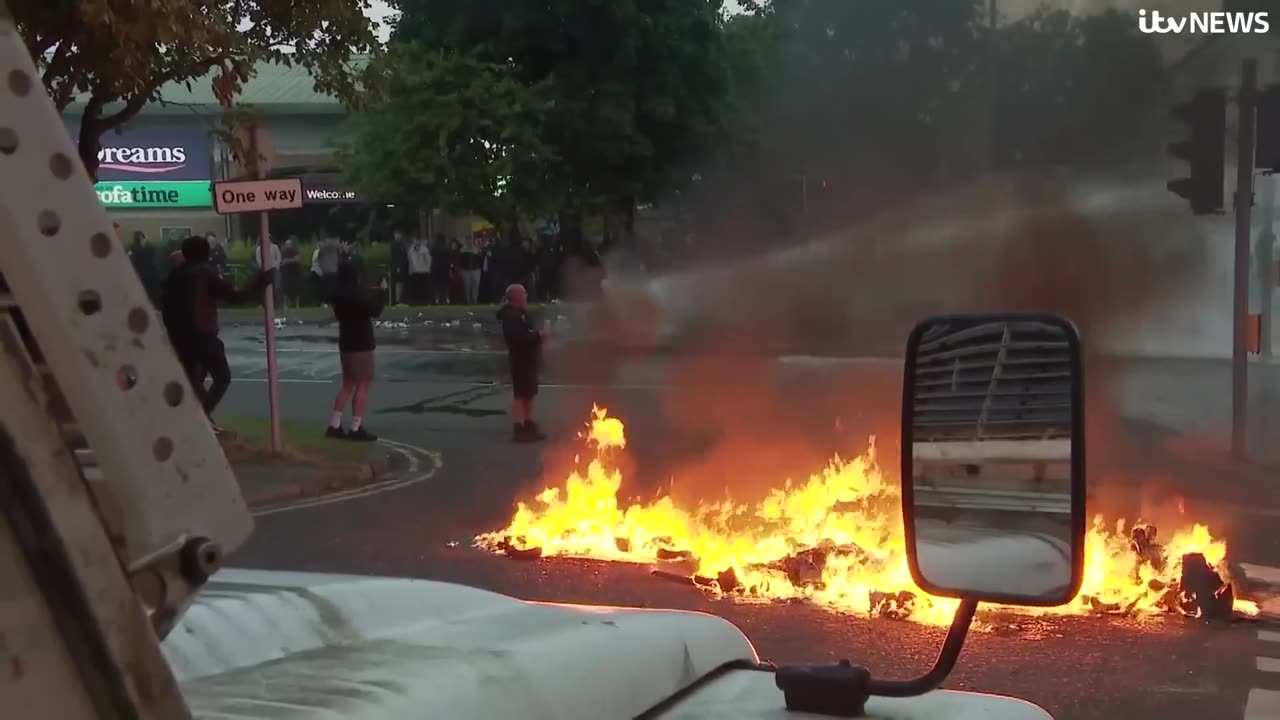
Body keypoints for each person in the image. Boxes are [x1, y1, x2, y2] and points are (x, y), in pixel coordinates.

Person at [162, 235, 272, 432]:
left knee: (193, 381)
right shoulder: (205, 273)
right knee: (222, 377)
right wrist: (260, 283)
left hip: (179, 338)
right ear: (206, 252)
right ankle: (199, 421)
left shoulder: (176, 276)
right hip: (202, 336)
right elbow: (235, 297)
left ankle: (200, 422)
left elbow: (166, 307)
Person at [326, 261, 385, 441]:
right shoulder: (357, 294)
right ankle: (355, 427)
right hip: (361, 345)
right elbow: (375, 310)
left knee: (347, 384)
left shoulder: (339, 295)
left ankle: (335, 424)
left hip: (346, 344)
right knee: (363, 384)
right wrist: (382, 291)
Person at [497, 283, 546, 442]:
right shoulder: (511, 316)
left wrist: (537, 336)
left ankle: (528, 422)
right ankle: (519, 427)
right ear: (516, 297)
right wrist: (538, 337)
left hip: (529, 358)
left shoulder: (521, 313)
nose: (526, 296)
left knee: (529, 393)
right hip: (520, 359)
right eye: (523, 294)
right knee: (520, 394)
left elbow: (528, 331)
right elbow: (517, 338)